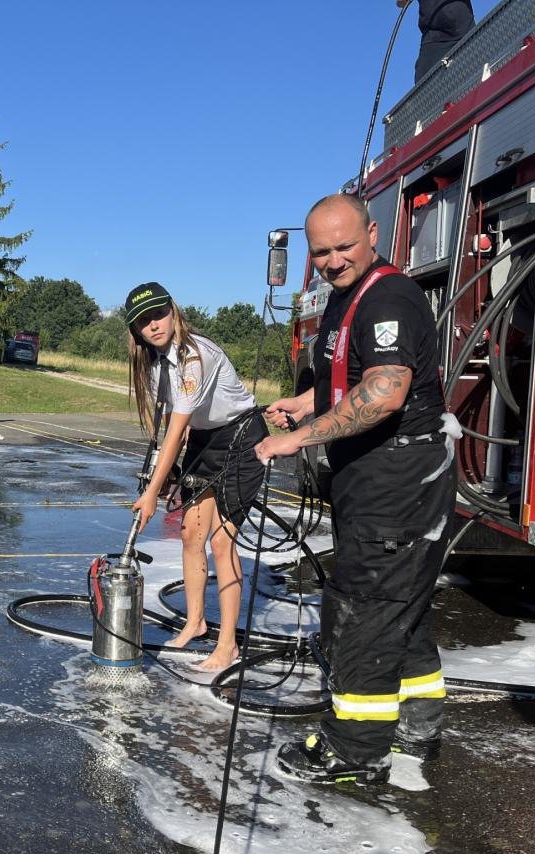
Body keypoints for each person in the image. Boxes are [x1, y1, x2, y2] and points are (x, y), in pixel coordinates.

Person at [256, 193, 456, 785]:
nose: (333, 260)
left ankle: (356, 749)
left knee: (364, 608)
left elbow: (386, 392)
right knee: (400, 604)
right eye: (321, 252)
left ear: (373, 234)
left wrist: (300, 438)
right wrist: (307, 402)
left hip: (398, 479)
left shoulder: (388, 298)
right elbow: (351, 377)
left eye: (344, 246)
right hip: (380, 477)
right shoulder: (349, 296)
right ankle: (418, 723)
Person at [127, 281, 267, 673]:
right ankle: (195, 622)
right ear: (135, 329)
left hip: (242, 438)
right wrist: (166, 471)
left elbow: (177, 428)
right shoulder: (155, 363)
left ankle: (228, 645)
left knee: (222, 542)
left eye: (159, 314)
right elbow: (171, 423)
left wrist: (152, 492)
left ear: (173, 311)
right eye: (144, 321)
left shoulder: (195, 355)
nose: (154, 325)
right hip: (205, 442)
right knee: (191, 533)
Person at [406, 0, 476, 83]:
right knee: (423, 85)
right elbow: (401, 2)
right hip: (433, 38)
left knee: (477, 76)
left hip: (464, 30)